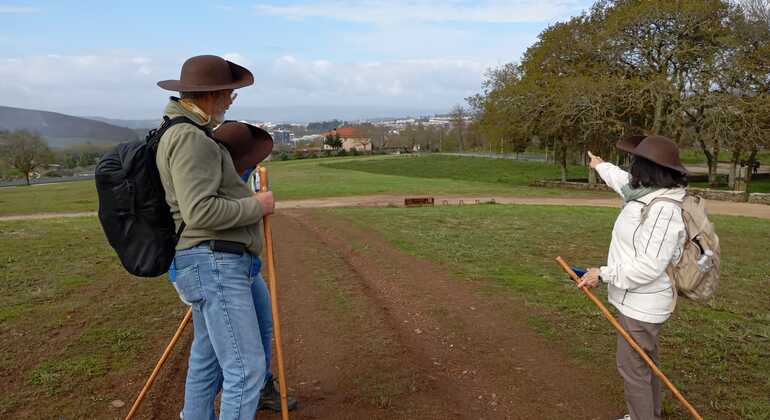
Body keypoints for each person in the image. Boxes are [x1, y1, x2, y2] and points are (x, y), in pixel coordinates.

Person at [155, 55, 275, 419]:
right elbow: (201, 212)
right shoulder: (191, 139)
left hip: (211, 261)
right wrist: (258, 206)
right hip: (214, 262)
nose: (231, 101)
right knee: (246, 368)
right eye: (230, 94)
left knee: (208, 360)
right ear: (214, 93)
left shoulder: (186, 133)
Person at [577, 135, 688, 420]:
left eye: (636, 163)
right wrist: (600, 166)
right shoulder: (646, 193)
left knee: (633, 368)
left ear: (648, 169)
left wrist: (602, 274)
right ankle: (649, 413)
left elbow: (649, 266)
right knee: (644, 362)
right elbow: (621, 180)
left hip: (644, 304)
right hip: (636, 300)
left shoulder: (664, 209)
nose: (632, 168)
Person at [212, 121, 298, 412]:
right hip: (218, 264)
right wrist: (256, 204)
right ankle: (222, 400)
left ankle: (261, 387)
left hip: (244, 262)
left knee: (263, 324)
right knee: (217, 350)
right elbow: (212, 214)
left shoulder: (244, 172)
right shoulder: (213, 173)